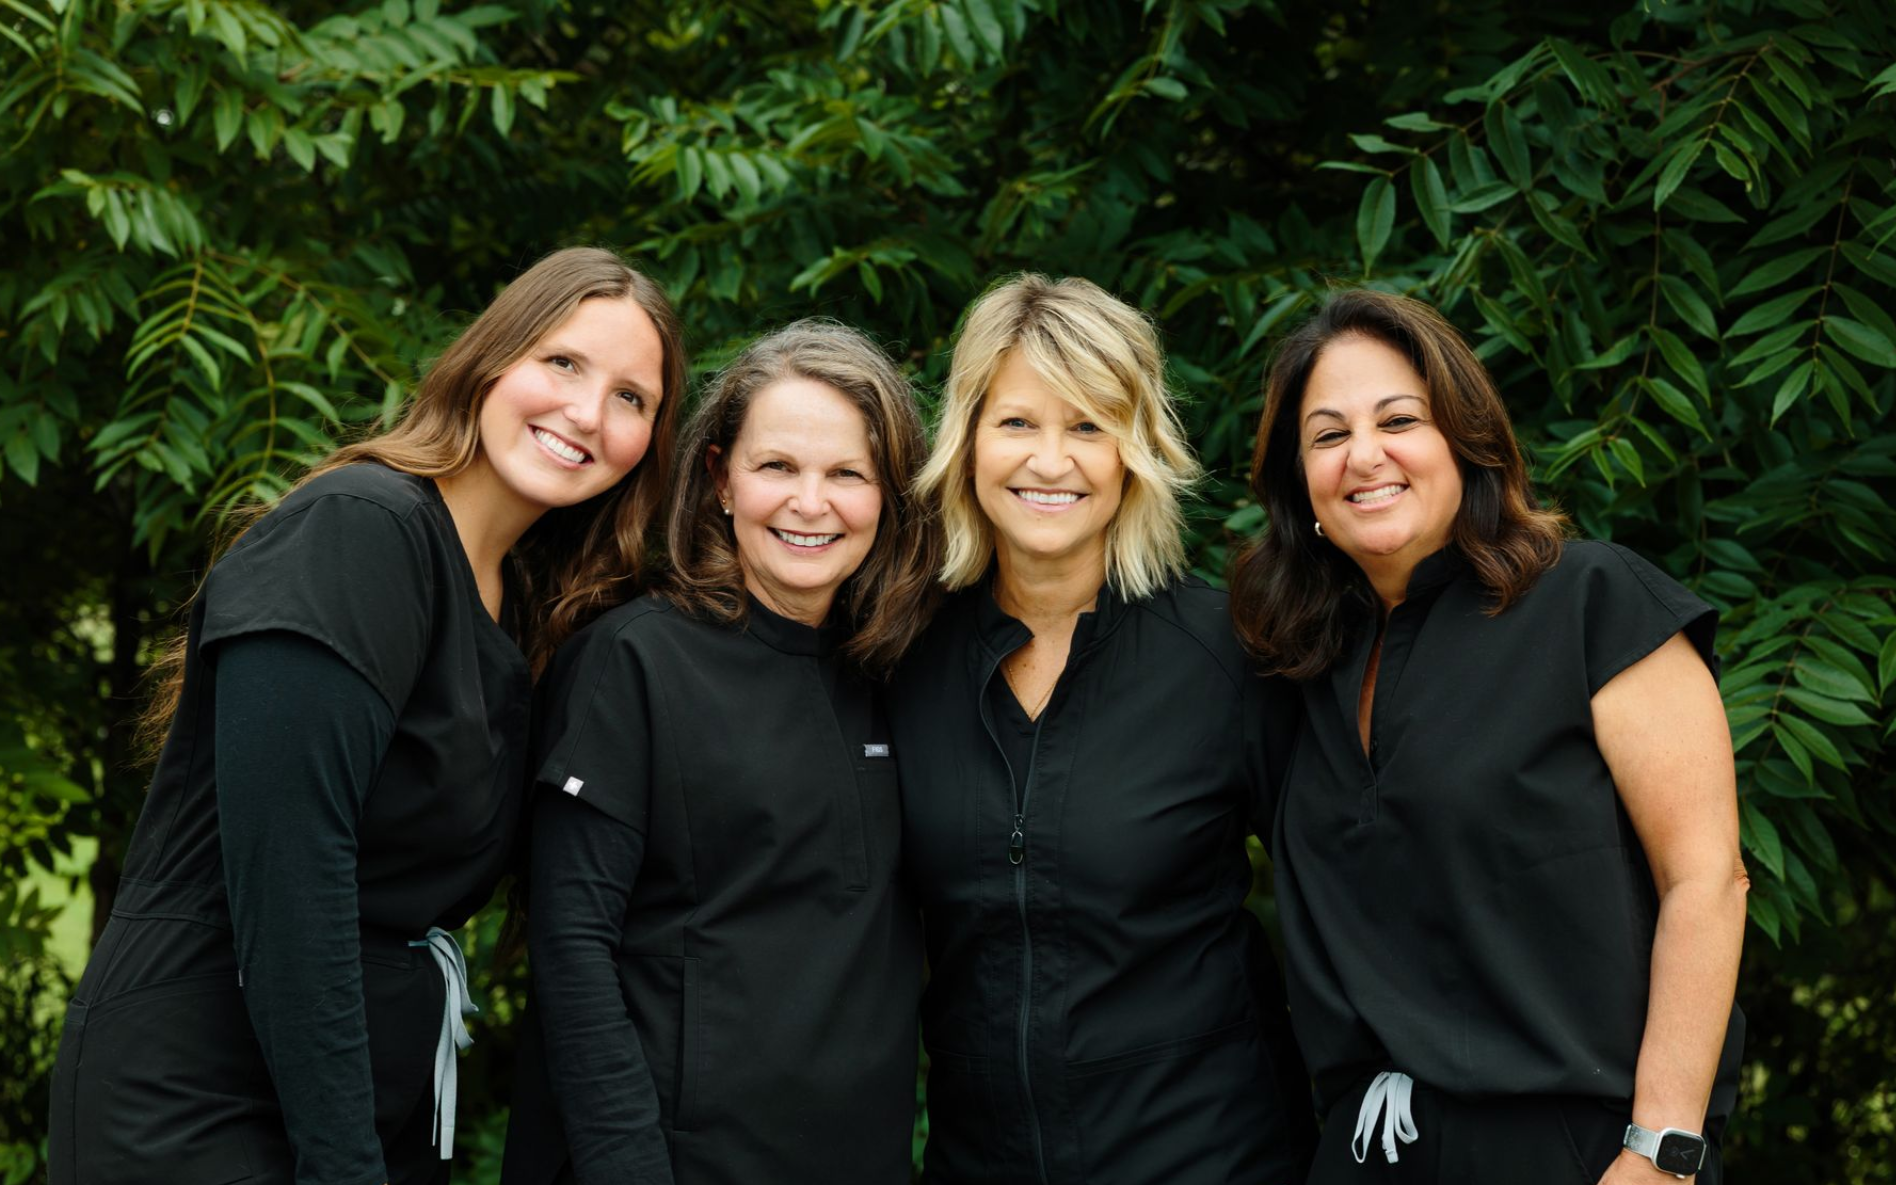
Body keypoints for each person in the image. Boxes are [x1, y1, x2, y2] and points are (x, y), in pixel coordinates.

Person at [47, 246, 686, 1185]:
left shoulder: (525, 608)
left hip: (360, 1105)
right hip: (201, 1095)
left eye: (633, 397)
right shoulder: (361, 529)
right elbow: (294, 879)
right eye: (563, 362)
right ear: (491, 359)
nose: (588, 413)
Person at [1228, 288, 1746, 1183]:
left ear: (1463, 441)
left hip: (1582, 1149)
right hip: (1369, 1151)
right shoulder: (1302, 667)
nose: (1365, 455)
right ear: (1300, 484)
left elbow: (1705, 877)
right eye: (1327, 434)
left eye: (1399, 418)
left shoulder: (1591, 603)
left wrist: (1662, 1150)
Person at [890, 274, 1318, 1185]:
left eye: (1088, 425)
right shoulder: (901, 660)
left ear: (1136, 449)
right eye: (1017, 423)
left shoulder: (1228, 655)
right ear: (967, 440)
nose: (1051, 461)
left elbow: (1354, 899)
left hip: (1212, 1157)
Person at [500, 320, 940, 1185]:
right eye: (777, 466)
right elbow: (570, 945)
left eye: (847, 474)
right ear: (720, 479)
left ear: (889, 495)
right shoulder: (633, 661)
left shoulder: (898, 670)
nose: (809, 503)